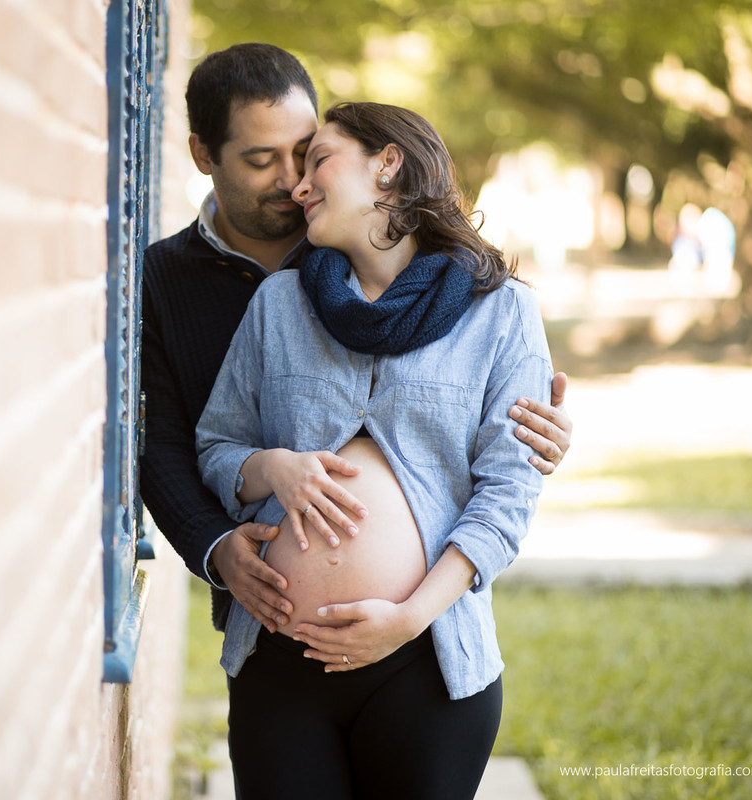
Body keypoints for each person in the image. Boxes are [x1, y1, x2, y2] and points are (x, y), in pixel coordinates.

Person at [139, 43, 573, 646]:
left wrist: (536, 431)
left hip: (429, 638)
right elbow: (160, 441)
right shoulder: (163, 280)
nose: (293, 182)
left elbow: (480, 411)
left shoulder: (364, 247)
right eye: (263, 160)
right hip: (272, 623)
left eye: (305, 153)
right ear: (203, 155)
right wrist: (215, 549)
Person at [195, 101, 552, 798]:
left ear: (388, 163)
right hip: (280, 666)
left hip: (428, 664)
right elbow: (216, 444)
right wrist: (270, 467)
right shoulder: (279, 305)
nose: (299, 187)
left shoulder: (503, 312)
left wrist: (406, 620)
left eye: (319, 160)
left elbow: (509, 493)